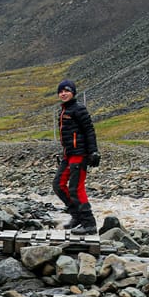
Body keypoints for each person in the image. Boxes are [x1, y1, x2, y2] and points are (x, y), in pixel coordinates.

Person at [53, 79, 101, 234]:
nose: (63, 94)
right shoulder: (63, 111)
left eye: (66, 91)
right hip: (68, 155)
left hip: (80, 155)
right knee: (58, 185)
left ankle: (89, 223)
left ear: (73, 92)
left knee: (76, 188)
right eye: (60, 91)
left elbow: (89, 130)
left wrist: (93, 152)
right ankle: (77, 216)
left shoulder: (79, 109)